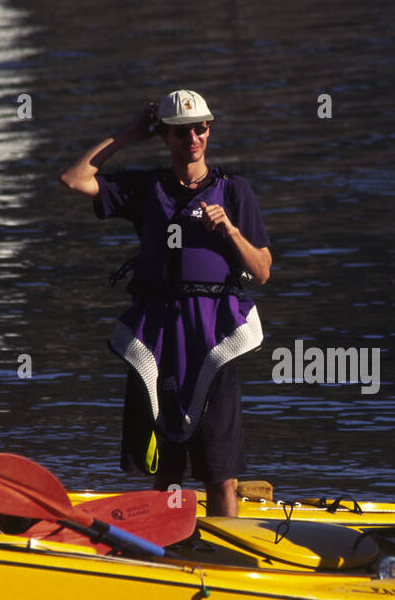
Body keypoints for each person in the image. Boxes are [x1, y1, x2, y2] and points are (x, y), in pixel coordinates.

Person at [59, 89, 271, 517]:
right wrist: (128, 134)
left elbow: (262, 271)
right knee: (166, 460)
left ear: (209, 131)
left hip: (213, 334)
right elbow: (74, 179)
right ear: (165, 137)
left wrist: (228, 229)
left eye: (199, 129)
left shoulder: (233, 191)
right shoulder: (146, 188)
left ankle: (225, 556)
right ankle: (165, 550)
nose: (191, 138)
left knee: (220, 471)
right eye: (179, 132)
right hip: (158, 334)